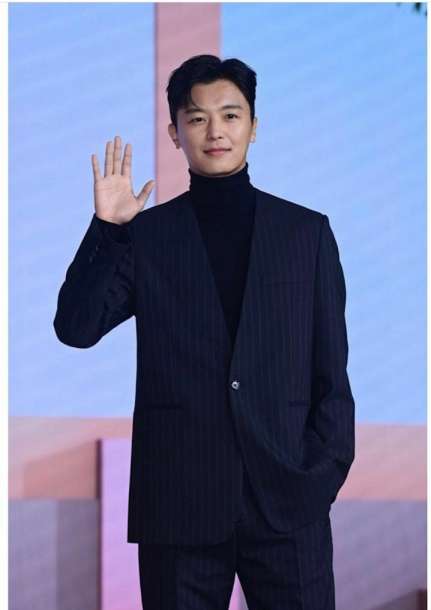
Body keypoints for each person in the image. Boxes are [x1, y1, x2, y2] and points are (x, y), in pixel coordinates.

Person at [53, 54, 355, 610]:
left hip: (289, 504)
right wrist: (108, 229)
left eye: (231, 115)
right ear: (175, 133)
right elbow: (76, 328)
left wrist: (319, 479)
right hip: (179, 506)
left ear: (254, 126)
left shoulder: (306, 234)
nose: (215, 131)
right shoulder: (148, 235)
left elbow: (330, 376)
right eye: (196, 118)